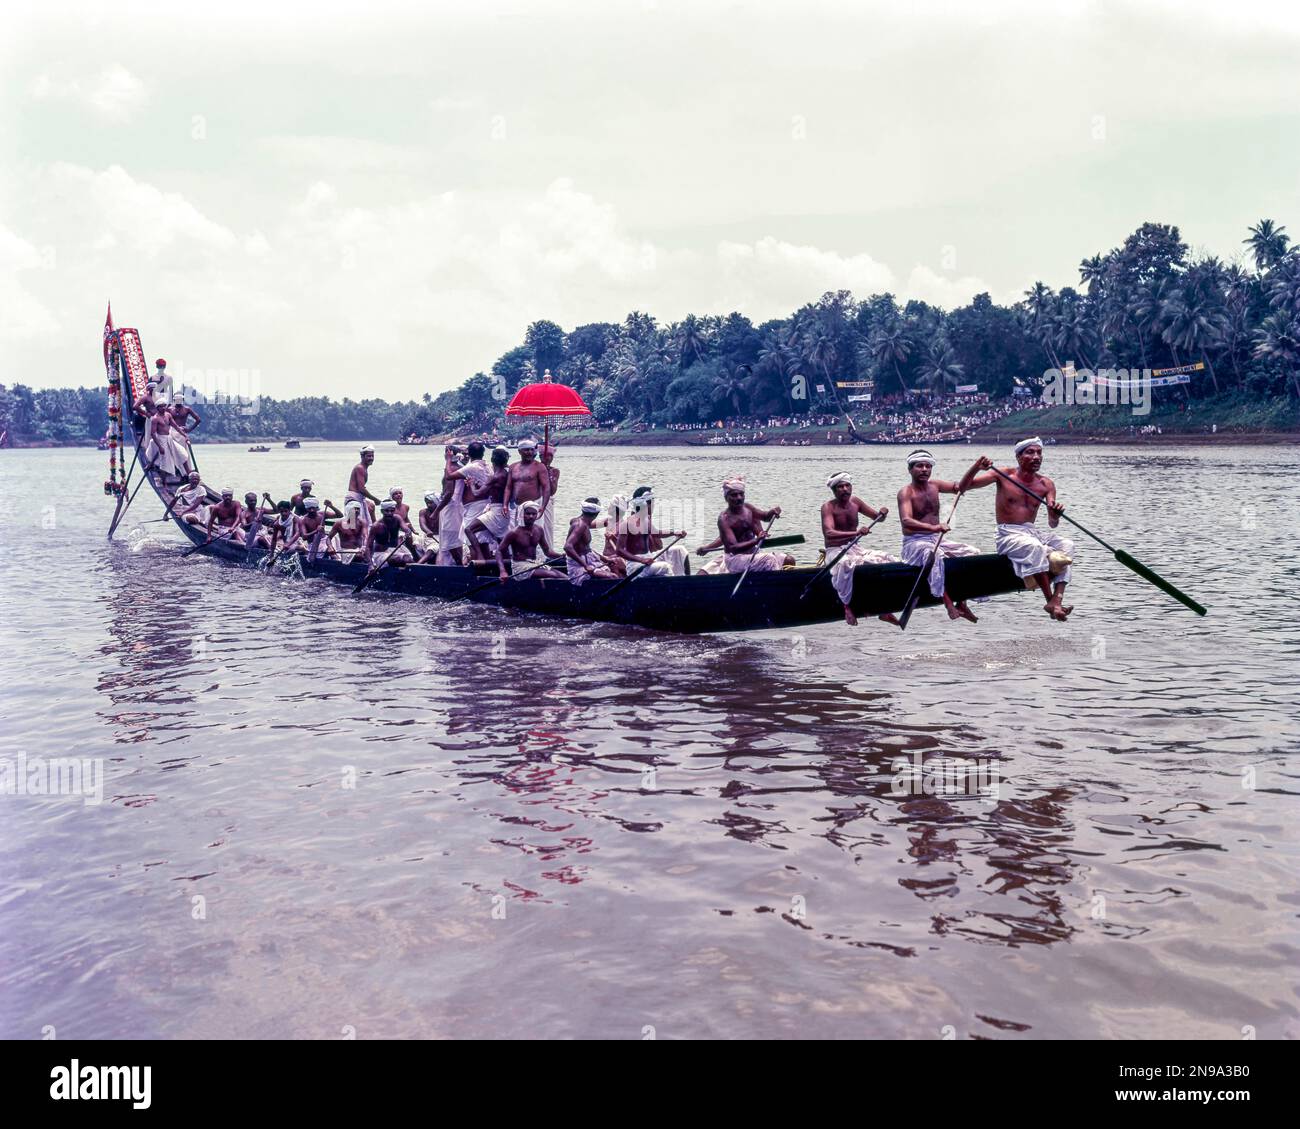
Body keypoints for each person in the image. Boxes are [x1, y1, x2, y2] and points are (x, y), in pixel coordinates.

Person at [963, 438, 1075, 621]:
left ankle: (1057, 597)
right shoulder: (1003, 475)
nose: (1036, 457)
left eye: (1039, 453)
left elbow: (1052, 523)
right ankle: (1050, 601)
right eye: (1030, 452)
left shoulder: (1046, 484)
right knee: (1036, 548)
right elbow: (963, 487)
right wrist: (977, 467)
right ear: (1018, 456)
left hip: (1032, 532)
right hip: (1008, 533)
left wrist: (1055, 515)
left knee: (1068, 545)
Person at [896, 450, 986, 623]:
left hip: (936, 540)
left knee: (972, 553)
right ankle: (947, 603)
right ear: (910, 469)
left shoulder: (935, 485)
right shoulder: (906, 492)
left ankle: (962, 603)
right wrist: (934, 527)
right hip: (914, 543)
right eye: (919, 466)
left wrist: (976, 468)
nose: (924, 469)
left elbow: (961, 487)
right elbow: (906, 521)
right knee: (934, 555)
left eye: (928, 466)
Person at [819, 471, 898, 627]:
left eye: (847, 485)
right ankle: (847, 607)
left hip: (854, 547)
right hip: (835, 550)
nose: (844, 489)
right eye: (840, 486)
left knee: (885, 559)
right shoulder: (827, 507)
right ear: (834, 490)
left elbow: (877, 518)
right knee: (845, 564)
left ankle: (884, 609)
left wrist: (882, 514)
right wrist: (855, 532)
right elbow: (829, 533)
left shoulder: (855, 502)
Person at [717, 475, 794, 573]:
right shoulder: (724, 519)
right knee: (769, 559)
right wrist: (757, 540)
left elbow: (765, 516)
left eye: (741, 494)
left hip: (752, 555)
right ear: (726, 498)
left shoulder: (748, 508)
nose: (739, 498)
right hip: (734, 559)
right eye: (734, 495)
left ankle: (789, 584)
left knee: (789, 560)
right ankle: (777, 585)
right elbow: (734, 548)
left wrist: (773, 512)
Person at [616, 485, 688, 576]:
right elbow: (619, 550)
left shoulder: (646, 519)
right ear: (644, 504)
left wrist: (674, 532)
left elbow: (656, 533)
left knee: (679, 550)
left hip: (649, 557)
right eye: (651, 503)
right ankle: (675, 587)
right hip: (635, 565)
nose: (653, 506)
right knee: (664, 567)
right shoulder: (626, 524)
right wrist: (642, 560)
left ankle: (684, 580)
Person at [494, 501, 564, 583]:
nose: (531, 516)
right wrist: (502, 571)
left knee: (565, 577)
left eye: (534, 514)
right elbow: (499, 551)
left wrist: (562, 556)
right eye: (528, 514)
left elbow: (547, 552)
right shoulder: (514, 533)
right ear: (522, 514)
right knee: (553, 575)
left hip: (536, 564)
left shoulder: (539, 530)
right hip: (520, 567)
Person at [462, 446, 510, 561]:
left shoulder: (494, 477)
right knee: (501, 542)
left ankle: (479, 556)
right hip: (504, 511)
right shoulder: (508, 474)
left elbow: (477, 493)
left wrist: (472, 484)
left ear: (493, 460)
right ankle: (509, 566)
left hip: (496, 510)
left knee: (469, 529)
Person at [564, 497, 618, 585]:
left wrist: (605, 559)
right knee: (612, 577)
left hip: (589, 560)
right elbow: (567, 547)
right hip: (579, 566)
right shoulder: (580, 525)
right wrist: (586, 566)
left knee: (615, 566)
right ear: (597, 513)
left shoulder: (585, 522)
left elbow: (587, 548)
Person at [503, 437, 550, 530]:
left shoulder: (539, 467)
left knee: (535, 533)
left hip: (534, 506)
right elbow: (508, 487)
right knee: (518, 534)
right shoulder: (513, 467)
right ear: (520, 451)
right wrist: (505, 505)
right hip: (517, 506)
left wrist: (543, 507)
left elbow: (546, 487)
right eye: (526, 450)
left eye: (532, 450)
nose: (530, 452)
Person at [365, 498, 414, 565]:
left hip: (395, 550)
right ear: (382, 511)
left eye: (392, 511)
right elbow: (368, 547)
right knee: (397, 559)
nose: (389, 513)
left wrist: (408, 532)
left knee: (408, 559)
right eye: (387, 511)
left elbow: (406, 528)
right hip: (381, 554)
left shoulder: (397, 518)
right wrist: (370, 565)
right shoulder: (376, 526)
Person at [346, 446, 381, 528]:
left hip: (359, 498)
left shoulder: (364, 468)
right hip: (353, 500)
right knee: (352, 526)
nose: (371, 458)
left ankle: (374, 532)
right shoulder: (360, 468)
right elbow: (361, 489)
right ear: (362, 456)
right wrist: (375, 499)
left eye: (372, 456)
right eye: (369, 456)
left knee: (371, 507)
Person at [539, 444, 560, 548]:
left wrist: (548, 474)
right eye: (544, 456)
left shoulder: (554, 471)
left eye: (550, 456)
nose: (547, 458)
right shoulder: (534, 468)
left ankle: (548, 551)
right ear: (540, 457)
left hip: (547, 501)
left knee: (547, 526)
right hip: (535, 500)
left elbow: (552, 491)